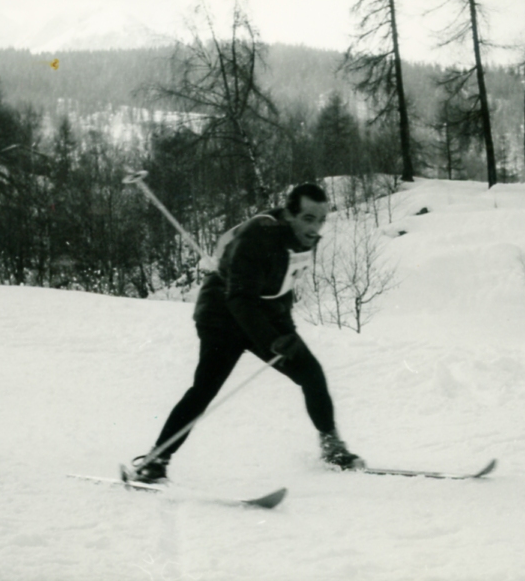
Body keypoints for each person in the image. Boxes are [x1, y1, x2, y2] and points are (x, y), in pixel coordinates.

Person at [124, 182, 363, 483]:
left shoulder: (302, 240)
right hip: (221, 314)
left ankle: (332, 448)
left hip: (259, 313)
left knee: (311, 373)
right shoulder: (258, 236)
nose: (315, 228)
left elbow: (282, 288)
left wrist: (286, 332)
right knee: (205, 388)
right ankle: (154, 461)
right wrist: (273, 339)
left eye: (321, 219)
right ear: (289, 214)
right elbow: (239, 298)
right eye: (308, 218)